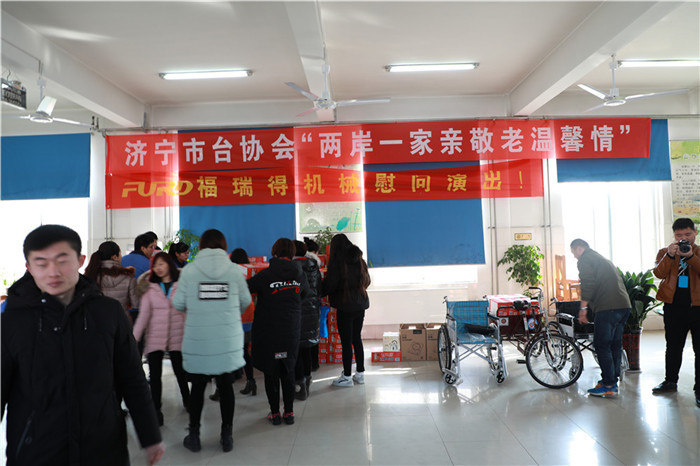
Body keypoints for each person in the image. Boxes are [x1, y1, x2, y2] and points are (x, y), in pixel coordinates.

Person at [1, 224, 164, 465]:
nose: (53, 272)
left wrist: (150, 435)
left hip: (103, 448)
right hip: (36, 451)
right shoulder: (12, 321)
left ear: (81, 260)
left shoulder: (108, 313)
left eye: (62, 261)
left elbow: (132, 377)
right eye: (41, 263)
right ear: (29, 267)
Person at [172, 229, 251, 453]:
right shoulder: (235, 271)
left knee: (197, 388)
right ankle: (227, 436)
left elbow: (178, 304)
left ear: (202, 247)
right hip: (226, 341)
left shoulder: (189, 271)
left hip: (199, 341)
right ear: (224, 246)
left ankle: (194, 435)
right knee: (226, 387)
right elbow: (245, 301)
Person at [247, 238, 309, 426]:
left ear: (274, 252)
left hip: (269, 331)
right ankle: (289, 412)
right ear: (292, 254)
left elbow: (246, 287)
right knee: (288, 369)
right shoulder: (299, 274)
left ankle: (274, 413)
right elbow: (305, 293)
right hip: (291, 329)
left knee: (271, 371)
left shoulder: (265, 275)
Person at [133, 252, 190, 426]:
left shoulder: (181, 286)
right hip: (155, 337)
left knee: (180, 372)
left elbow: (187, 312)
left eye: (161, 264)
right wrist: (133, 339)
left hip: (177, 335)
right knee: (155, 376)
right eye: (155, 265)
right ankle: (156, 410)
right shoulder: (150, 289)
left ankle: (188, 401)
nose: (158, 268)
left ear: (169, 265)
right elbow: (143, 316)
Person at [570, 238, 631, 398]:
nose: (574, 256)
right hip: (623, 306)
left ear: (578, 248)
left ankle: (609, 385)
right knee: (615, 344)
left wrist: (583, 309)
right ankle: (611, 381)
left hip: (608, 308)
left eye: (573, 253)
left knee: (601, 345)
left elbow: (587, 285)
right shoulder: (601, 258)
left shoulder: (585, 260)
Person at [651, 218, 700, 407]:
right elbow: (658, 273)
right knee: (673, 346)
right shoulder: (665, 252)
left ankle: (699, 388)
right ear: (674, 236)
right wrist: (670, 256)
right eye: (679, 235)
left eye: (687, 234)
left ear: (695, 233)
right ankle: (670, 381)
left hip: (697, 307)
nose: (683, 238)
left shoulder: (698, 251)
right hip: (673, 307)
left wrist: (690, 256)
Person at [322, 234, 371, 387]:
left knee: (346, 342)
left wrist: (318, 291)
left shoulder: (338, 262)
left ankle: (347, 377)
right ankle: (360, 374)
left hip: (345, 306)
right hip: (360, 304)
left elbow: (330, 285)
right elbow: (367, 280)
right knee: (357, 339)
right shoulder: (360, 260)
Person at [293, 240, 322, 400]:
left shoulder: (292, 267)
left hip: (296, 311)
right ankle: (307, 378)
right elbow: (320, 289)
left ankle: (300, 384)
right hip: (312, 310)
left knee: (297, 348)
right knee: (307, 347)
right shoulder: (314, 266)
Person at [83, 240, 138, 323]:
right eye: (120, 254)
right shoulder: (128, 277)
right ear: (114, 257)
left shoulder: (91, 275)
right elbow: (136, 304)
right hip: (122, 322)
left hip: (97, 322)